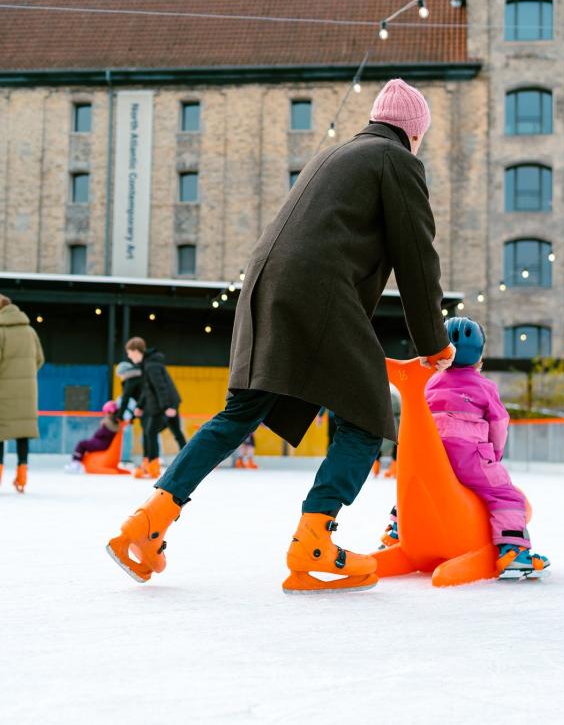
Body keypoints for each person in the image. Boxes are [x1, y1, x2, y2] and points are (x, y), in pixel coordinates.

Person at [107, 78, 455, 593]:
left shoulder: (334, 156)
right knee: (366, 416)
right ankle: (316, 538)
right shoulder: (396, 160)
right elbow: (417, 257)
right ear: (414, 133)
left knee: (240, 413)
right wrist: (433, 342)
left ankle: (148, 521)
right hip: (318, 293)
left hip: (265, 288)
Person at [425, 316, 550, 578]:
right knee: (507, 496)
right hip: (471, 458)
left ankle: (395, 531)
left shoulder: (430, 384)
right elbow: (499, 423)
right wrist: (494, 454)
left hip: (433, 457)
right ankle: (513, 551)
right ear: (479, 358)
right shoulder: (485, 387)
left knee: (420, 488)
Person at [0, 294, 44, 493]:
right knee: (22, 434)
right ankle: (22, 477)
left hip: (3, 391)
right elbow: (39, 359)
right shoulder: (30, 331)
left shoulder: (1, 331)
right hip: (27, 391)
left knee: (0, 434)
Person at [124, 337, 184, 479]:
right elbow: (147, 388)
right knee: (173, 433)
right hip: (162, 404)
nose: (128, 356)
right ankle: (150, 464)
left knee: (151, 432)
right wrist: (139, 406)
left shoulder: (151, 365)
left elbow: (161, 386)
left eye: (129, 353)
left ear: (136, 351)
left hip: (164, 404)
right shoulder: (147, 364)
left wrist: (168, 406)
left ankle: (153, 466)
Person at [65, 401, 121, 473]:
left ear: (111, 412)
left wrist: (103, 425)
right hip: (101, 442)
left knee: (81, 444)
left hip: (101, 444)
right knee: (84, 444)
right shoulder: (114, 422)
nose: (105, 415)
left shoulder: (108, 422)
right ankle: (77, 462)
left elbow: (101, 434)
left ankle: (75, 464)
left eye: (106, 413)